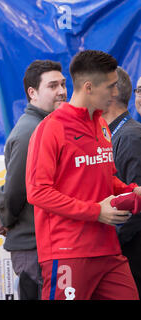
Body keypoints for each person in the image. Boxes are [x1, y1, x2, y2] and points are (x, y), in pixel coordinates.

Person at [26, 50, 141, 300]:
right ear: (89, 87)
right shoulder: (50, 129)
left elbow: (106, 179)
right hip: (67, 251)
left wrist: (132, 192)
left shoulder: (100, 124)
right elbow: (37, 192)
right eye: (110, 87)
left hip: (108, 250)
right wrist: (95, 211)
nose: (115, 93)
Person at [0, 60, 67, 300]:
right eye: (53, 86)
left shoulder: (49, 125)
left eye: (63, 84)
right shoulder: (30, 131)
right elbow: (16, 191)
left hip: (45, 243)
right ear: (32, 93)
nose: (62, 91)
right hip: (33, 247)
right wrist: (6, 218)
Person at [102, 66, 141, 294]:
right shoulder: (113, 134)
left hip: (131, 258)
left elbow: (136, 203)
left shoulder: (130, 136)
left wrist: (108, 243)